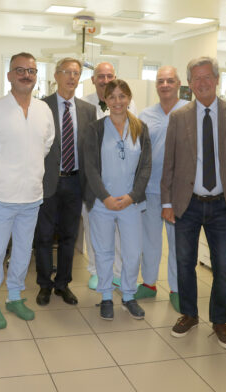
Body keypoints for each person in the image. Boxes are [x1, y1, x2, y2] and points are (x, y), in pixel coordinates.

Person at [161, 56, 226, 350]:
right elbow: (169, 164)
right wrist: (166, 202)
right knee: (185, 262)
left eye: (207, 77)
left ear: (217, 80)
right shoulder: (179, 117)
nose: (202, 83)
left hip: (223, 206)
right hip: (186, 204)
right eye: (196, 78)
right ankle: (189, 314)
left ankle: (220, 321)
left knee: (223, 266)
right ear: (189, 84)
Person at [0, 52, 55, 329]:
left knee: (22, 252)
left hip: (32, 197)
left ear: (36, 76)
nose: (26, 75)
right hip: (2, 198)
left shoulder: (43, 110)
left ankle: (15, 297)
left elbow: (46, 145)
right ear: (9, 75)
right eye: (20, 70)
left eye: (31, 71)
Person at [83, 79, 151, 321]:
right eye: (112, 96)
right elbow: (90, 167)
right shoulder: (95, 129)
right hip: (102, 203)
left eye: (122, 96)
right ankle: (105, 297)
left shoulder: (140, 128)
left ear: (129, 98)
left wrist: (132, 196)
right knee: (103, 252)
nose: (117, 101)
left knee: (132, 252)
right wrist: (105, 197)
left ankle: (129, 295)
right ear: (105, 100)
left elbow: (146, 167)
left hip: (131, 203)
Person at [34, 57, 96, 306]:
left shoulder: (88, 110)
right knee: (44, 236)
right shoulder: (41, 106)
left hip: (75, 182)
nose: (72, 77)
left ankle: (63, 284)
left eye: (76, 73)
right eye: (67, 72)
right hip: (48, 181)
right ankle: (44, 284)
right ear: (56, 76)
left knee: (70, 236)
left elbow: (90, 149)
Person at [136, 66, 188, 312]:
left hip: (179, 191)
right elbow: (138, 150)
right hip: (150, 188)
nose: (164, 85)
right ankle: (149, 283)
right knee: (150, 240)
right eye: (160, 81)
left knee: (177, 242)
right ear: (156, 85)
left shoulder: (189, 111)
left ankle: (176, 290)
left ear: (179, 84)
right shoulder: (146, 115)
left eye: (169, 80)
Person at [82, 62, 137, 290]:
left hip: (122, 180)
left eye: (109, 76)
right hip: (94, 181)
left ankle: (117, 272)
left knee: (119, 234)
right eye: (100, 76)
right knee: (94, 231)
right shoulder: (84, 104)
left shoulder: (129, 104)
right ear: (93, 80)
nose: (105, 80)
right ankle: (96, 270)